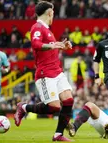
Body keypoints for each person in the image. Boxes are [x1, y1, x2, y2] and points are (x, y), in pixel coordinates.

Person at [14, 1, 73, 141]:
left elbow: (50, 47)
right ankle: (24, 107)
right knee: (54, 107)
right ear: (49, 13)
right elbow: (35, 44)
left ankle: (58, 135)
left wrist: (61, 46)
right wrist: (53, 46)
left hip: (57, 71)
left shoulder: (47, 29)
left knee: (69, 100)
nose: (54, 15)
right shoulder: (37, 27)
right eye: (53, 12)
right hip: (45, 73)